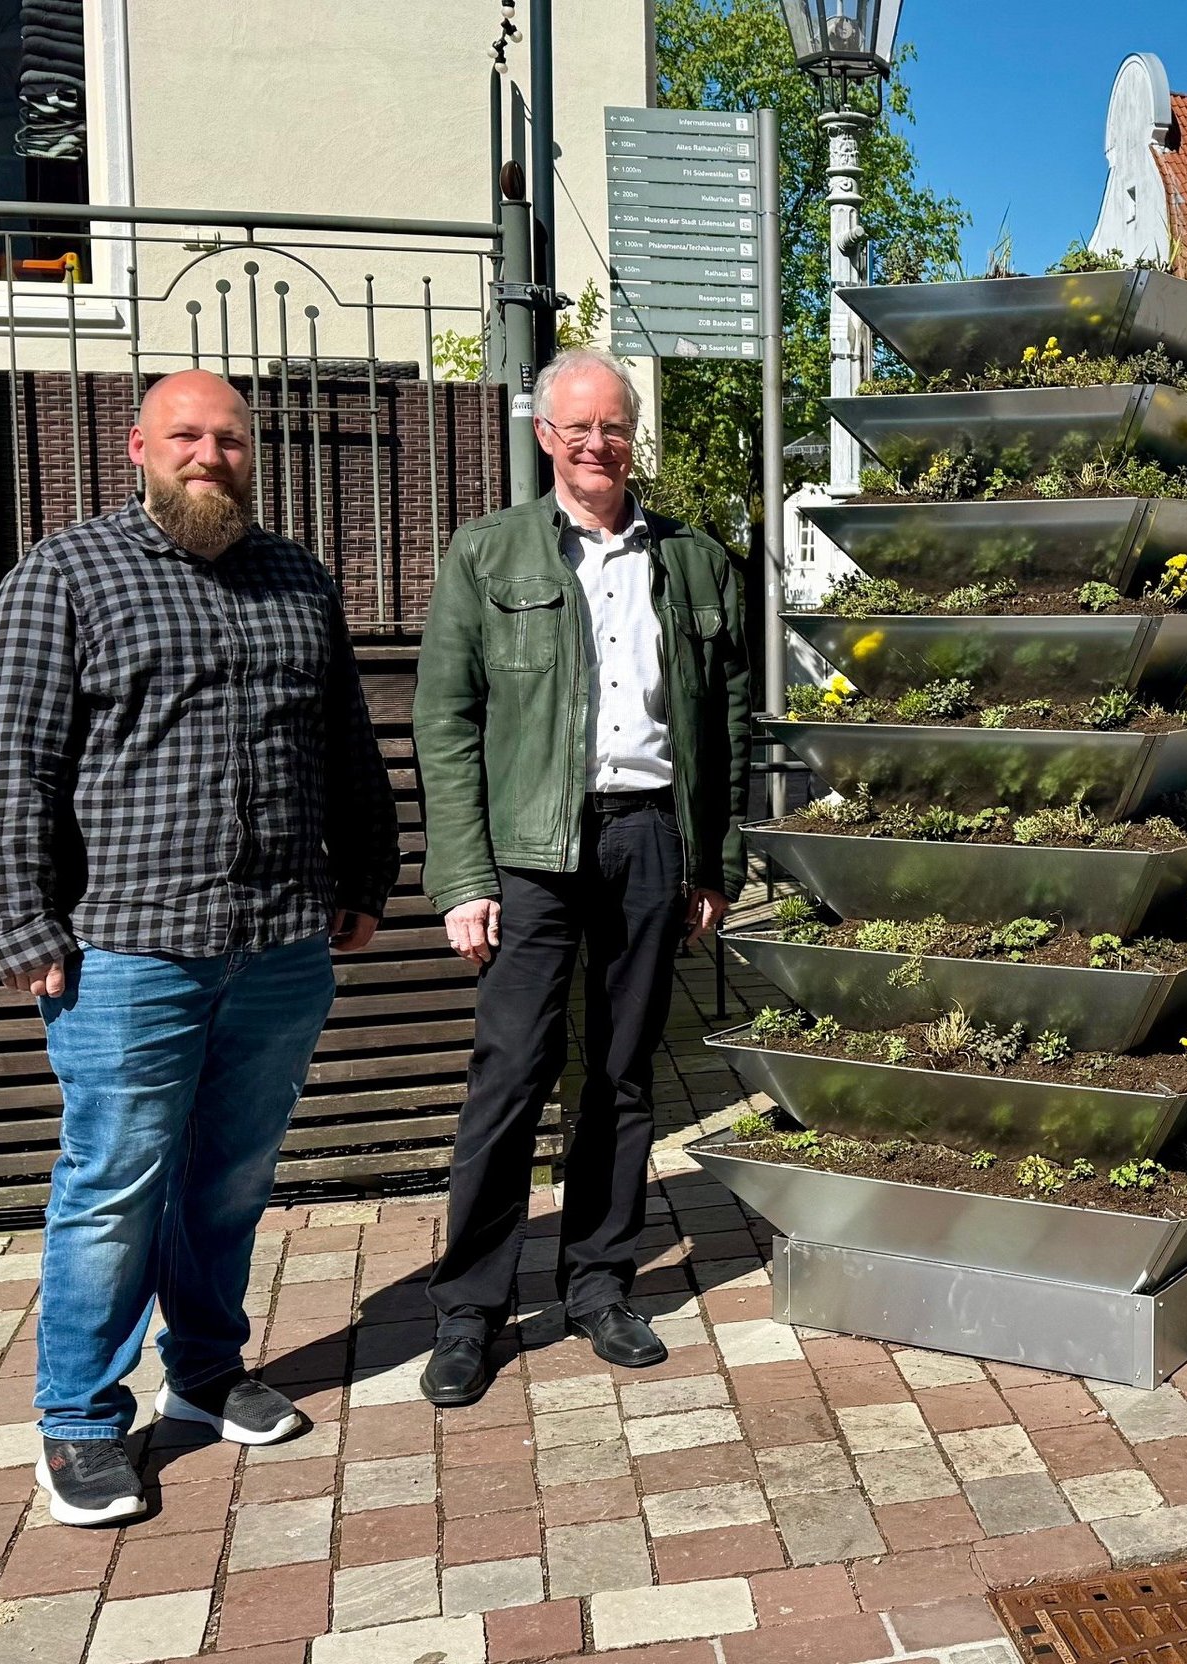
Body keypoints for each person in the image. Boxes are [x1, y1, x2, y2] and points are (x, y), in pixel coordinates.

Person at [0, 370, 399, 1526]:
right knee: (113, 1182)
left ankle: (205, 1372)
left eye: (231, 438)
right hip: (127, 950)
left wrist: (367, 872)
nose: (211, 454)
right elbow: (13, 762)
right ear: (137, 448)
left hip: (278, 943)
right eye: (188, 437)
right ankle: (78, 1419)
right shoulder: (63, 576)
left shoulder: (296, 580)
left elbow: (347, 745)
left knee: (232, 1177)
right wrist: (20, 919)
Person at [412, 347, 749, 1406]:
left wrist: (712, 860)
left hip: (650, 838)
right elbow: (446, 719)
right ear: (544, 435)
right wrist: (464, 874)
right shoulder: (489, 553)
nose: (597, 442)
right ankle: (469, 1307)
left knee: (622, 1074)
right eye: (578, 426)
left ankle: (600, 1281)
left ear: (630, 436)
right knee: (508, 1076)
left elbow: (724, 721)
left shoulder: (695, 560)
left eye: (614, 425)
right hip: (530, 852)